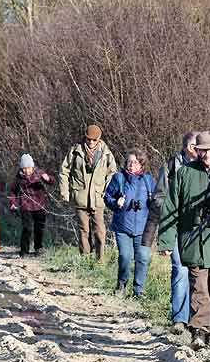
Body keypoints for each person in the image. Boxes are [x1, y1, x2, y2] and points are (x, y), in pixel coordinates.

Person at [158, 131, 210, 350]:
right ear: (196, 151)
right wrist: (166, 241)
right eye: (202, 151)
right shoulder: (184, 174)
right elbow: (170, 208)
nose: (206, 155)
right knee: (199, 286)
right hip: (192, 242)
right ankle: (198, 330)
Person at [142, 131, 198, 334]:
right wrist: (174, 207)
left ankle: (196, 318)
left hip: (196, 227)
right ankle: (179, 319)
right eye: (195, 145)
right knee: (180, 269)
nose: (198, 149)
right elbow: (158, 197)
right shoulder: (171, 167)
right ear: (187, 147)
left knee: (197, 273)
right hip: (175, 226)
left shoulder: (206, 167)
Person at [58, 124, 117, 263]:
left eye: (94, 140)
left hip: (98, 198)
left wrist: (107, 192)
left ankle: (100, 261)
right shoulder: (75, 151)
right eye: (88, 139)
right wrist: (64, 191)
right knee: (83, 230)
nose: (91, 142)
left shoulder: (106, 153)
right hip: (80, 197)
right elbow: (64, 171)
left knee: (100, 231)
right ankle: (85, 259)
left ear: (99, 138)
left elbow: (112, 174)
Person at [104, 149, 155, 297]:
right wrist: (115, 202)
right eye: (129, 161)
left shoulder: (149, 181)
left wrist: (154, 204)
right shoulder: (119, 178)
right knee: (125, 257)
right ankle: (121, 285)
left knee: (143, 259)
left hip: (143, 227)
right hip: (122, 226)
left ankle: (139, 290)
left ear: (141, 164)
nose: (131, 164)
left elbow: (158, 201)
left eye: (135, 162)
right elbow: (107, 197)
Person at [9, 153, 54, 257]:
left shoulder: (39, 173)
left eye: (29, 168)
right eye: (24, 168)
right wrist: (13, 204)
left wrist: (48, 179)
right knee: (27, 228)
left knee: (40, 228)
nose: (27, 171)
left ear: (32, 167)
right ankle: (24, 251)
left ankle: (38, 248)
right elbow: (13, 192)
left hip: (40, 205)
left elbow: (52, 181)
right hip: (25, 206)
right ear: (21, 168)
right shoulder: (18, 178)